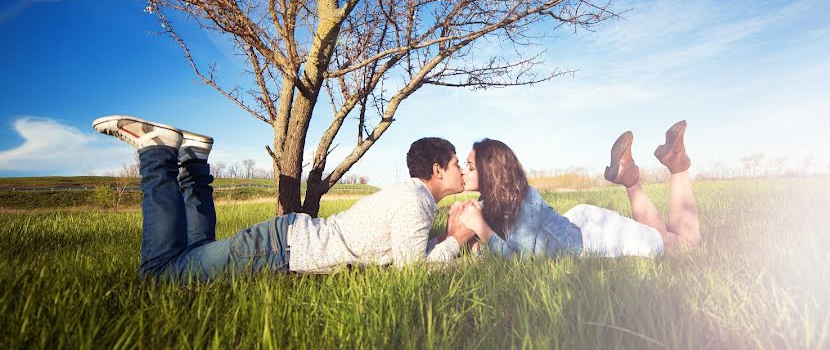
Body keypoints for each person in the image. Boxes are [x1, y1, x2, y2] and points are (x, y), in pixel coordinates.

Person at [92, 115, 473, 282]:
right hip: (279, 249)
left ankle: (192, 159)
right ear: (438, 169)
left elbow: (407, 252)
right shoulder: (416, 201)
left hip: (285, 241)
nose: (463, 170)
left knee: (195, 255)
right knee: (161, 273)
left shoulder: (413, 199)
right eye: (458, 164)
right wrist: (454, 239)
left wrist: (444, 240)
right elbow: (412, 272)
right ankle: (157, 153)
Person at [453, 120, 701, 258]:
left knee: (686, 248)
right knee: (659, 240)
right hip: (579, 230)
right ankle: (631, 176)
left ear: (490, 173)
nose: (463, 170)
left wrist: (481, 229)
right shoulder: (491, 203)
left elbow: (524, 262)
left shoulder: (520, 202)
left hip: (596, 237)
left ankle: (676, 164)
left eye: (470, 166)